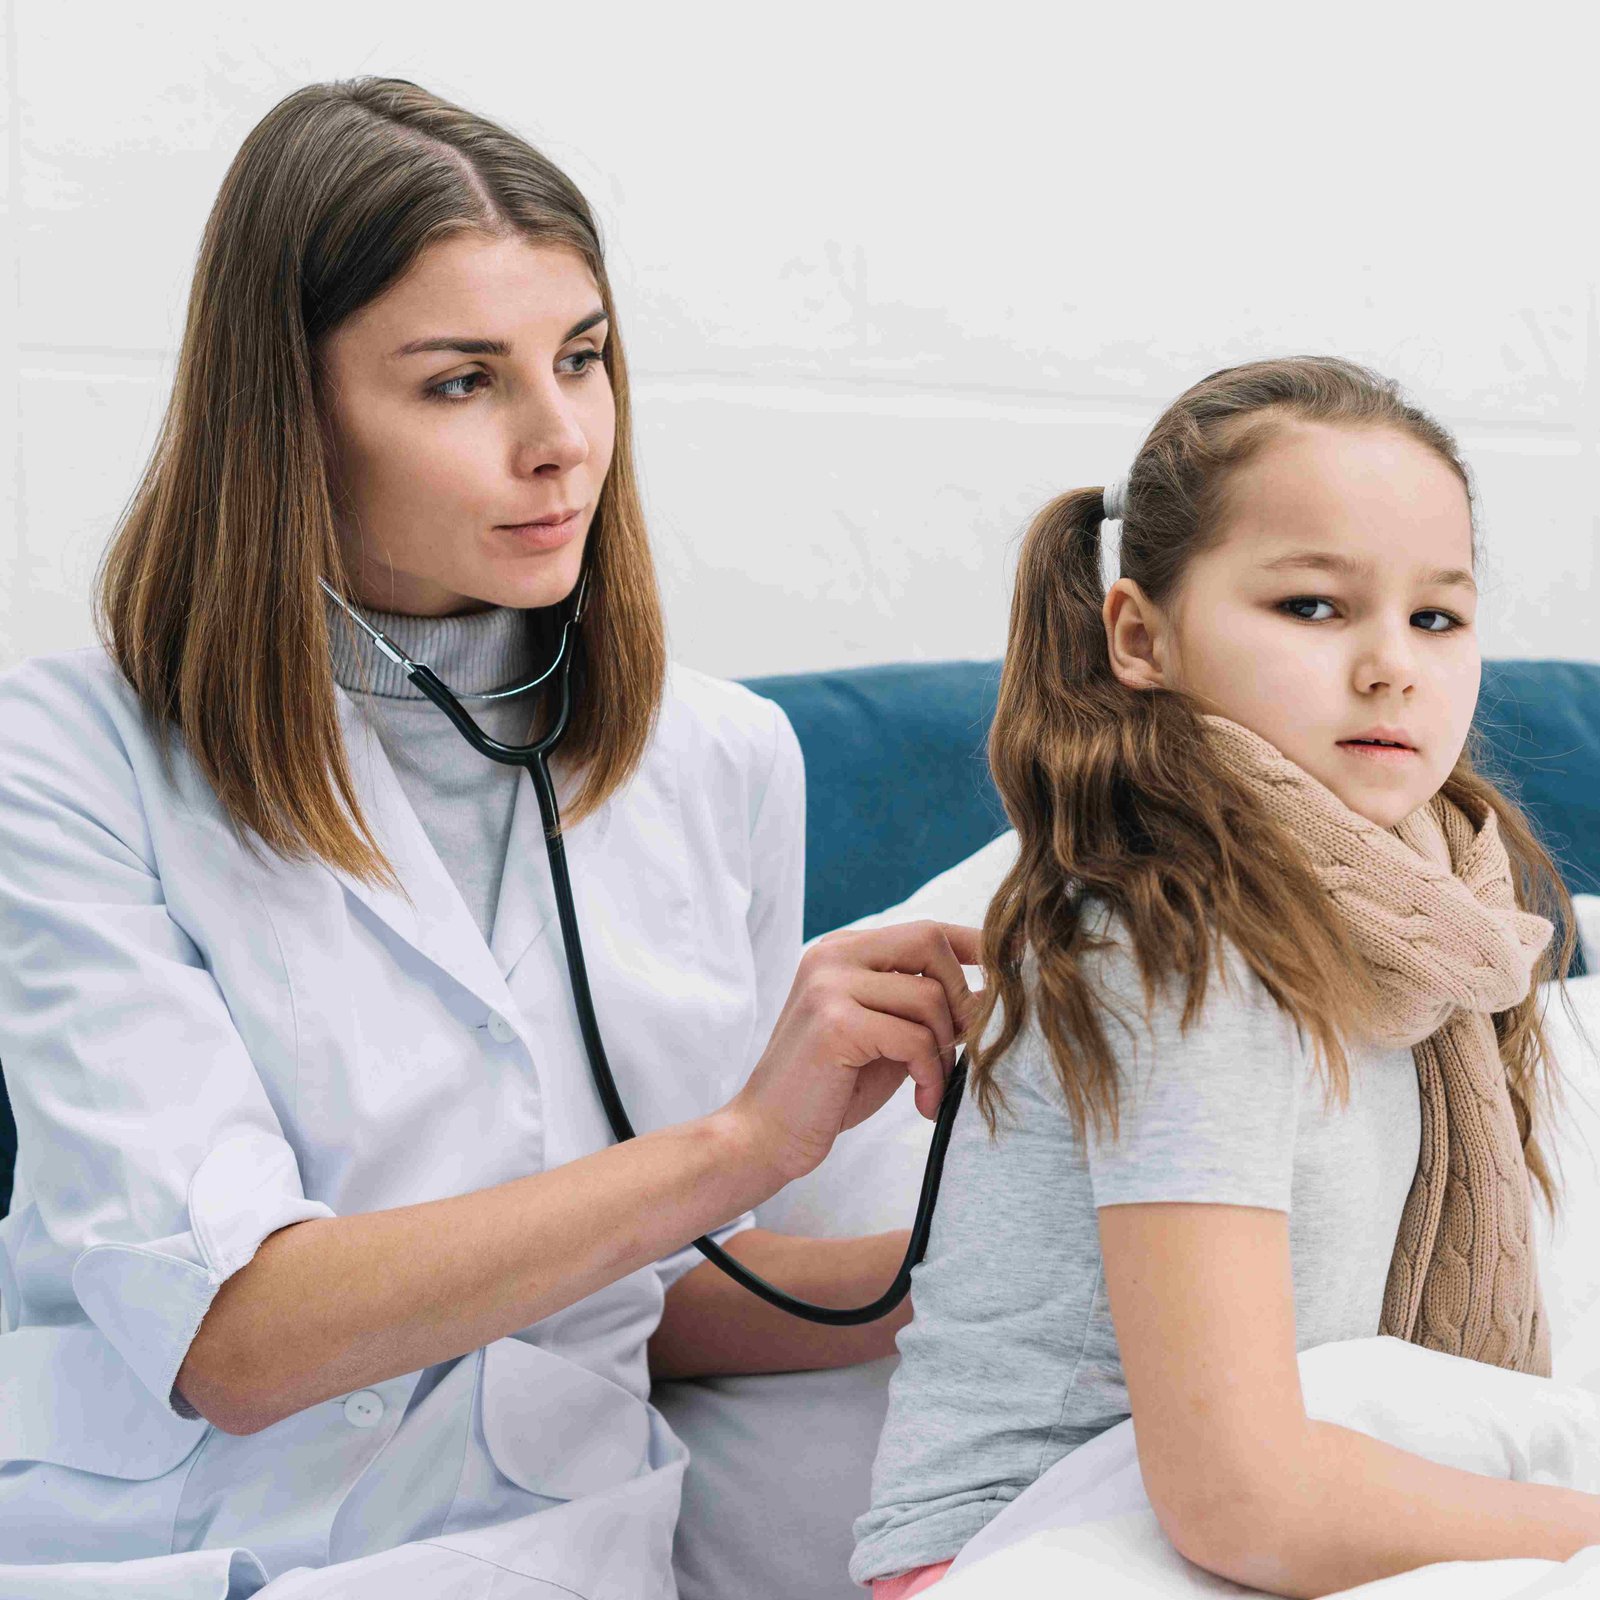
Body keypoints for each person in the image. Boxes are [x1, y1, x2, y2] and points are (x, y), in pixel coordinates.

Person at [0, 77, 977, 1597]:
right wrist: (734, 1149)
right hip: (149, 1554)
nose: (561, 442)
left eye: (581, 360)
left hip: (537, 1557)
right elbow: (235, 1342)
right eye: (462, 381)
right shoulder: (69, 753)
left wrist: (999, 1270)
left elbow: (646, 1296)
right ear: (292, 410)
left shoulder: (721, 761)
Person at [850, 356, 1597, 1598]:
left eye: (1436, 617)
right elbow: (1239, 1494)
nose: (1389, 666)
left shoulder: (1431, 920)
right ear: (1139, 634)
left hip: (1209, 1511)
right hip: (1033, 1550)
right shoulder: (1171, 938)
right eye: (1312, 606)